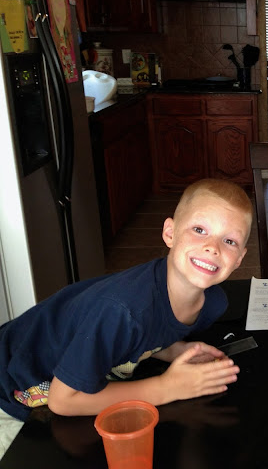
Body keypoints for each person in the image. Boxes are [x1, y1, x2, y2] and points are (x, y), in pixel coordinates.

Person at [0, 178, 253, 459]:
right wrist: (167, 387)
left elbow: (148, 329)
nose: (212, 247)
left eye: (229, 241)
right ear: (170, 233)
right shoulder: (124, 311)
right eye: (199, 230)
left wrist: (174, 350)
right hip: (10, 387)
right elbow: (63, 401)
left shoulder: (211, 304)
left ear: (239, 258)